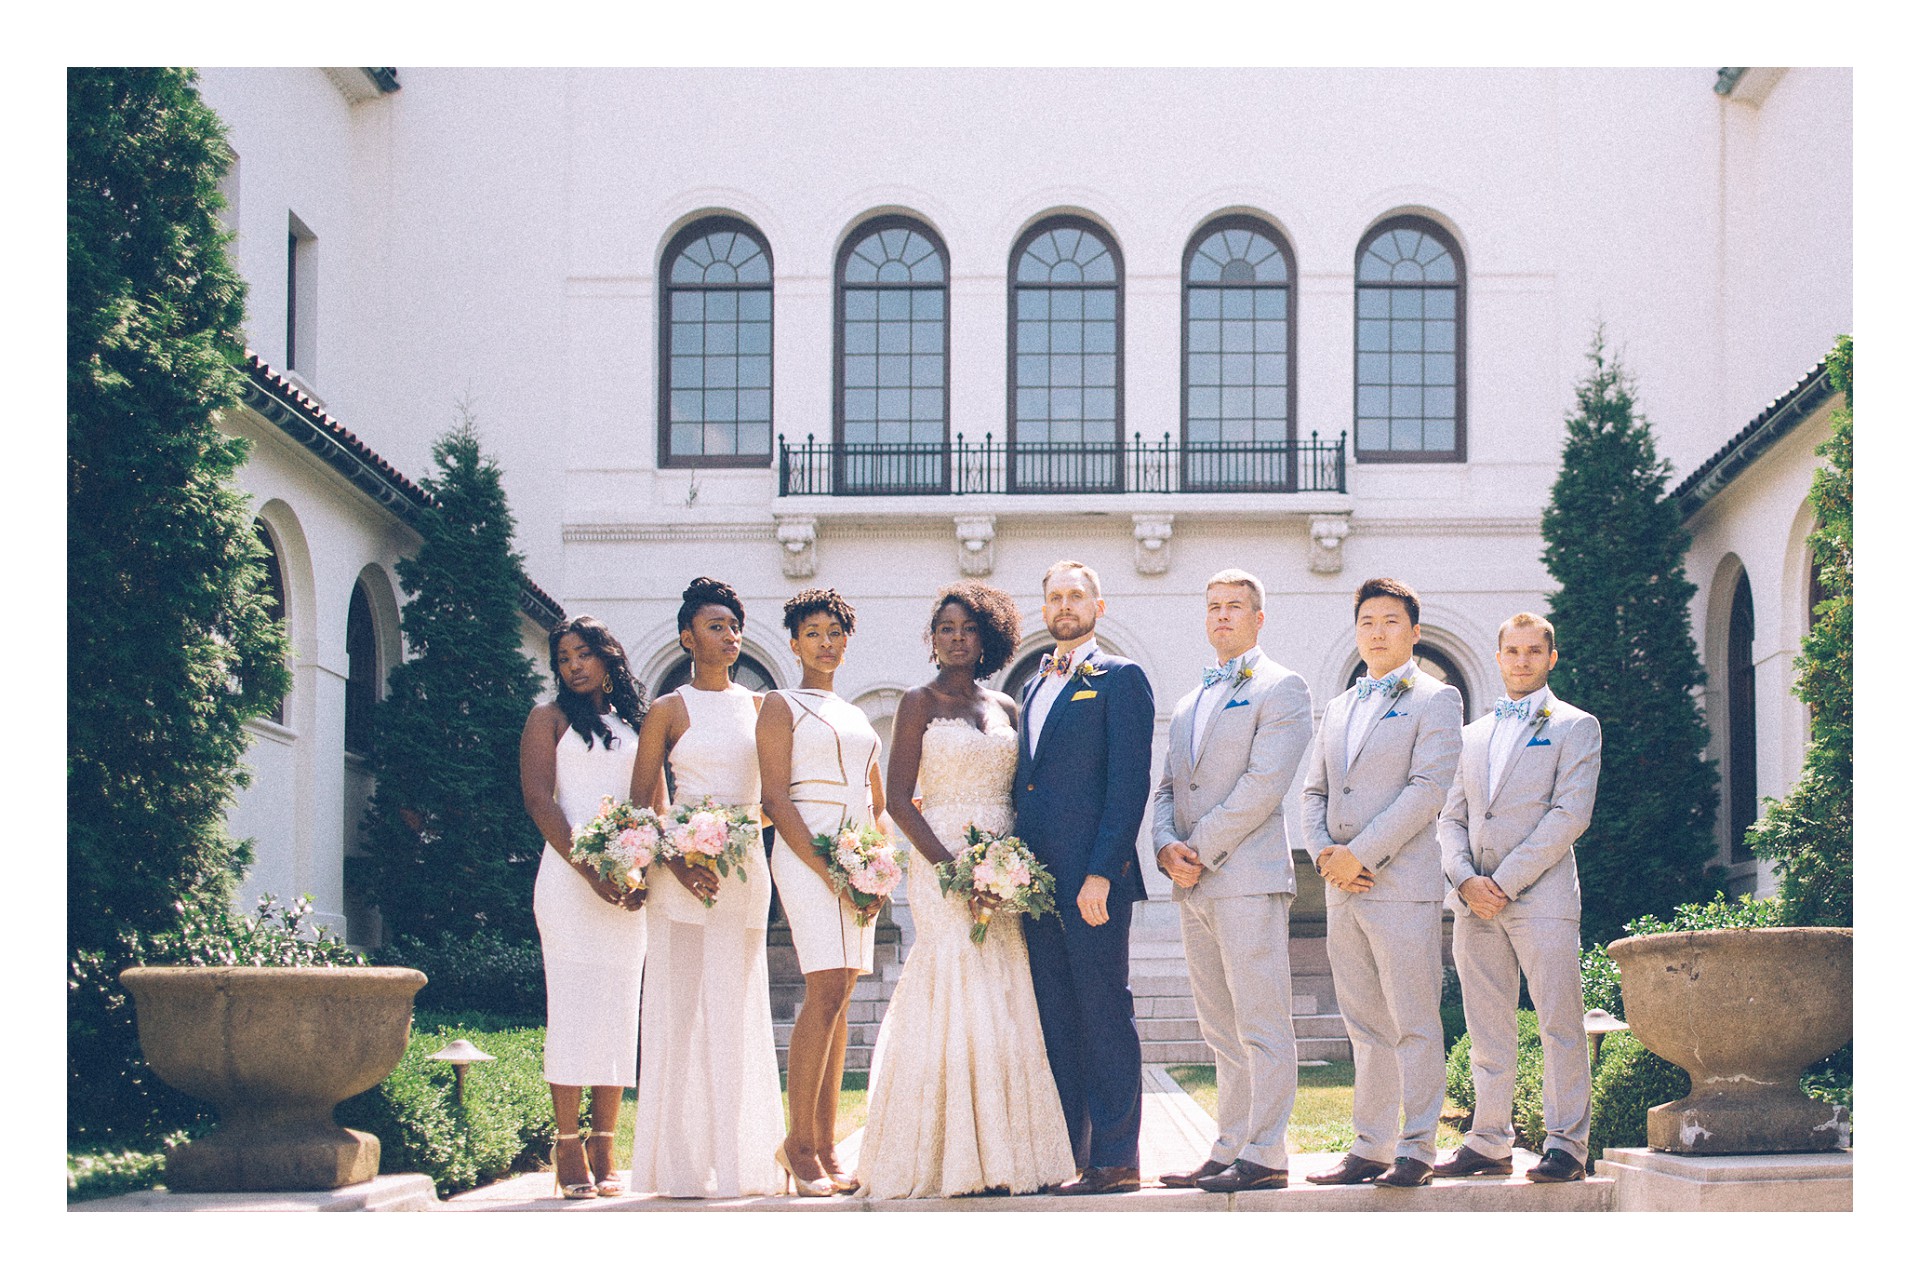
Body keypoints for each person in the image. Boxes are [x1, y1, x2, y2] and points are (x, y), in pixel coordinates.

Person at [856, 583, 1076, 1198]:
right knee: (955, 979)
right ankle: (946, 1153)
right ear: (933, 639)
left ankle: (1006, 1152)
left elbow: (1020, 793)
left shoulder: (1007, 705)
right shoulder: (916, 702)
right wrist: (954, 869)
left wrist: (1008, 869)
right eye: (946, 628)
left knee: (1005, 987)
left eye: (969, 628)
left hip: (1004, 865)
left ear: (988, 637)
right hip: (941, 861)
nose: (957, 638)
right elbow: (898, 799)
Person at [1152, 569, 1314, 1193]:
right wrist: (1166, 846)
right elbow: (1168, 785)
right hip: (1192, 882)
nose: (1222, 616)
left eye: (1235, 607)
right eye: (1214, 606)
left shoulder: (1282, 687)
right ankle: (1228, 1145)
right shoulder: (1192, 700)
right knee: (1219, 1027)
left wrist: (1198, 845)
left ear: (1258, 617)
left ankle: (1268, 1152)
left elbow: (1262, 786)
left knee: (1261, 1021)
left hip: (1246, 876)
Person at [1302, 577, 1463, 1190]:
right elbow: (1313, 790)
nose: (1378, 630)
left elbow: (1428, 790)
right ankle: (1370, 1145)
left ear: (1414, 632)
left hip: (1399, 885)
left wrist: (1361, 853)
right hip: (1342, 887)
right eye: (1368, 620)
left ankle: (1417, 1146)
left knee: (1413, 1019)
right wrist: (1324, 854)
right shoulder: (1340, 705)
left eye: (1391, 621)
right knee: (1363, 1022)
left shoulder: (1436, 698)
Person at [627, 577, 784, 1198]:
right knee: (682, 1011)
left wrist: (738, 830)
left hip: (745, 871)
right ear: (687, 636)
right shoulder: (667, 709)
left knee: (739, 1007)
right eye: (715, 626)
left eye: (734, 626)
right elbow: (642, 803)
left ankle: (742, 1160)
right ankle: (681, 1165)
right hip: (680, 875)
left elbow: (775, 797)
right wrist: (683, 850)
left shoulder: (760, 707)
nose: (729, 635)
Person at [1434, 612, 1602, 1184]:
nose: (1523, 660)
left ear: (1551, 658)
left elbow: (1569, 815)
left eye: (1535, 651)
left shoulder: (1578, 726)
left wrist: (1502, 882)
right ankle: (1489, 1140)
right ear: (1499, 656)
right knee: (1486, 1025)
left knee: (1560, 1022)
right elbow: (1450, 817)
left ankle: (1566, 1146)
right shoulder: (1472, 735)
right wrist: (1463, 880)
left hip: (1542, 899)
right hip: (1472, 902)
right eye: (1513, 651)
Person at [1013, 560, 1155, 1195]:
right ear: (1044, 610)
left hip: (1092, 883)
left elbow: (1128, 785)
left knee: (1103, 1011)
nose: (1065, 606)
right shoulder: (1032, 689)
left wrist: (1102, 872)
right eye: (1054, 598)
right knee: (1056, 1017)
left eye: (1076, 595)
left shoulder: (1121, 678)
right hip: (1035, 885)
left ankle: (1118, 1156)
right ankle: (1070, 1155)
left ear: (1100, 603)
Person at [758, 588, 887, 1195]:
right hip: (808, 851)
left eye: (835, 633)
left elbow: (878, 804)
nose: (826, 643)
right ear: (793, 642)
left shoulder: (857, 715)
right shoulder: (779, 706)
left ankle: (829, 1142)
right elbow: (775, 798)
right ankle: (798, 1143)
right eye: (813, 633)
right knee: (824, 987)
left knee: (842, 996)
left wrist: (874, 868)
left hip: (857, 858)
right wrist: (829, 867)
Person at [520, 616, 653, 1198]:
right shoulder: (545, 720)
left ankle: (605, 1143)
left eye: (583, 655)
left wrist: (641, 867)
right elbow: (539, 800)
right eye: (564, 658)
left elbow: (653, 802)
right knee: (572, 1007)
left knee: (620, 1010)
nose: (573, 666)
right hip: (569, 882)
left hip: (626, 884)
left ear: (608, 657)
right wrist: (591, 870)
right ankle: (566, 1145)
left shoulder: (634, 725)